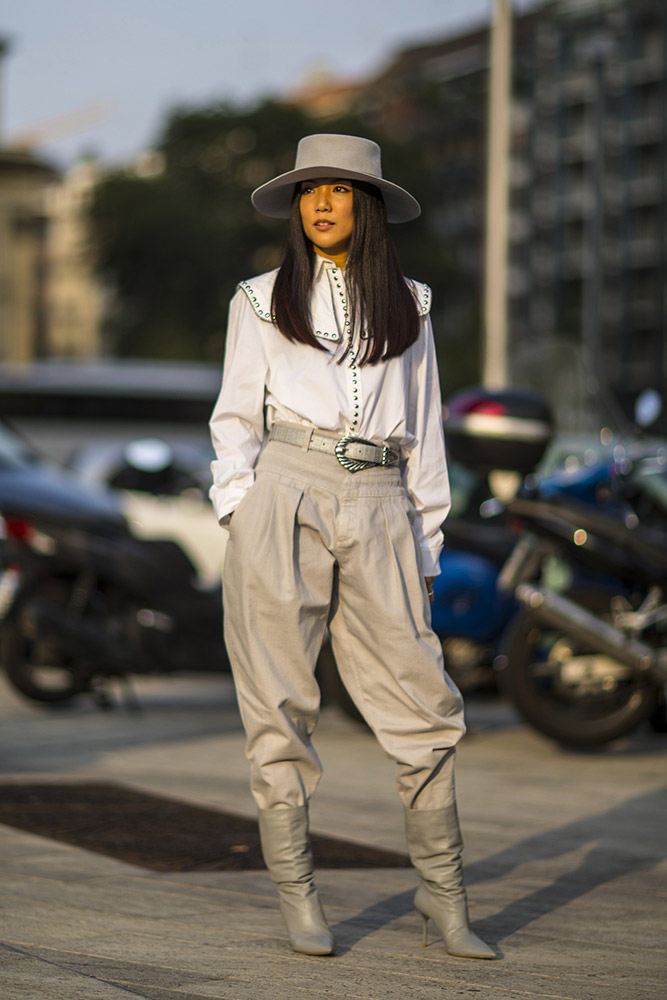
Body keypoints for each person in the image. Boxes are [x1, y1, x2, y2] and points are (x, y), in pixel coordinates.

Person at [209, 133, 495, 961]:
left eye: (338, 189)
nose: (322, 203)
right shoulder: (259, 299)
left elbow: (428, 438)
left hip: (381, 502)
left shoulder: (413, 305)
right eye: (308, 191)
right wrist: (241, 511)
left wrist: (426, 544)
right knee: (279, 703)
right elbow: (233, 419)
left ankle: (443, 896)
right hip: (283, 491)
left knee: (424, 701)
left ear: (365, 205)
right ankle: (299, 898)